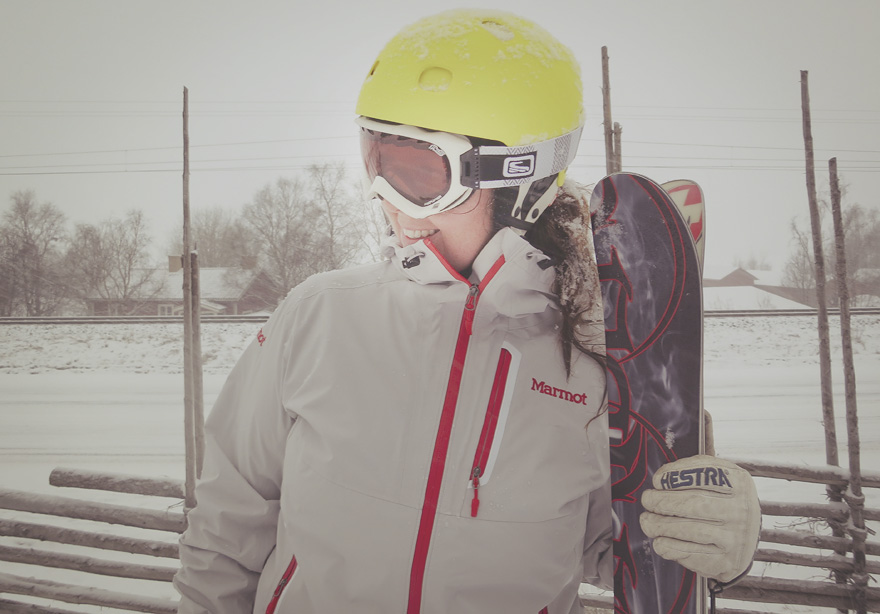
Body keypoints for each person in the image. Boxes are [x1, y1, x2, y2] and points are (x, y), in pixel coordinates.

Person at [174, 9, 760, 614]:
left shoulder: (595, 365)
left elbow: (622, 555)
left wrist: (709, 536)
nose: (390, 204)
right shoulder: (320, 317)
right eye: (377, 161)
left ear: (521, 181)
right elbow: (225, 529)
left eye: (419, 174)